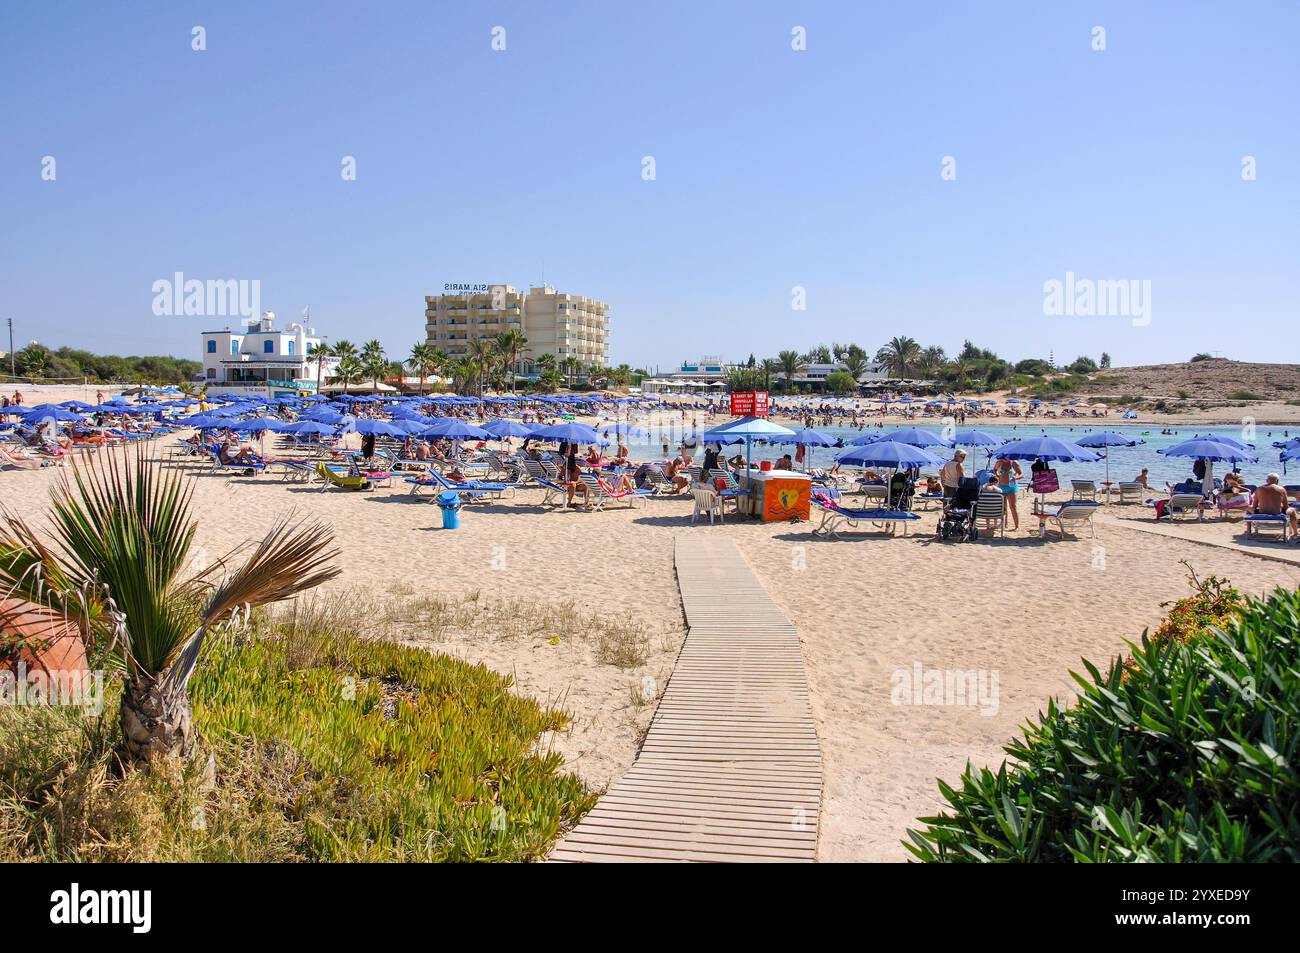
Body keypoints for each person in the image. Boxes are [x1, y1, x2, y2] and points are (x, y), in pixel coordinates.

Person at [994, 456, 1023, 531]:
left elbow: (1021, 474)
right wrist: (997, 476)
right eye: (1004, 458)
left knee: (1013, 506)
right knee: (1003, 507)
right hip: (1001, 486)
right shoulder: (999, 463)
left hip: (1011, 487)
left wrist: (1015, 478)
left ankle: (1016, 526)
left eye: (1007, 458)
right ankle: (1004, 524)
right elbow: (994, 470)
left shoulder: (1014, 463)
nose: (1005, 459)